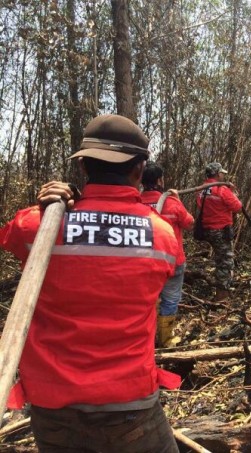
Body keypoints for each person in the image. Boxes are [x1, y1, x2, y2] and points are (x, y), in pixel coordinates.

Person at [0, 114, 181, 452]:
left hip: (52, 404)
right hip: (128, 401)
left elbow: (9, 236)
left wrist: (61, 205)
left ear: (82, 166)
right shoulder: (162, 236)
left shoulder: (34, 226)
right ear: (140, 169)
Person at [141, 162, 194, 347]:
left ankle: (148, 335)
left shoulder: (136, 202)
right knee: (171, 298)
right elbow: (189, 223)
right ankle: (166, 339)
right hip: (173, 261)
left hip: (144, 262)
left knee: (149, 298)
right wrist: (178, 200)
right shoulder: (172, 203)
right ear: (160, 180)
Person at [196, 162, 242, 301]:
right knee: (225, 262)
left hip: (207, 229)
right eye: (222, 173)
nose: (223, 175)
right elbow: (238, 207)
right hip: (220, 231)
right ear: (217, 174)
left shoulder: (202, 189)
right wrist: (233, 192)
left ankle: (223, 290)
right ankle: (221, 296)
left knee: (220, 259)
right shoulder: (222, 190)